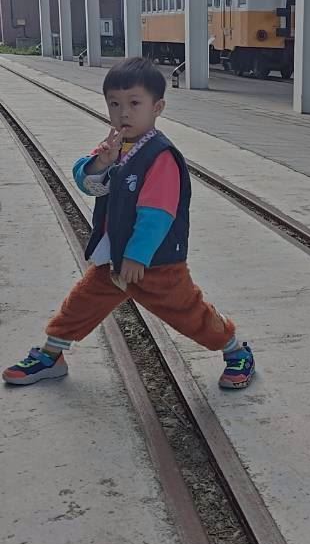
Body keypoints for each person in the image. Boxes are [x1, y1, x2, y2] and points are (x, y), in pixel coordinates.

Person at [3, 57, 255, 390]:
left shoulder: (161, 155)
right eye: (114, 104)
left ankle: (236, 350)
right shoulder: (114, 147)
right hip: (114, 260)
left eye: (134, 103)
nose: (124, 113)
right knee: (80, 305)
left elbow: (158, 213)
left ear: (157, 107)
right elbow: (87, 183)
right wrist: (99, 163)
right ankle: (51, 355)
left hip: (156, 263)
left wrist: (137, 255)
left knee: (188, 313)